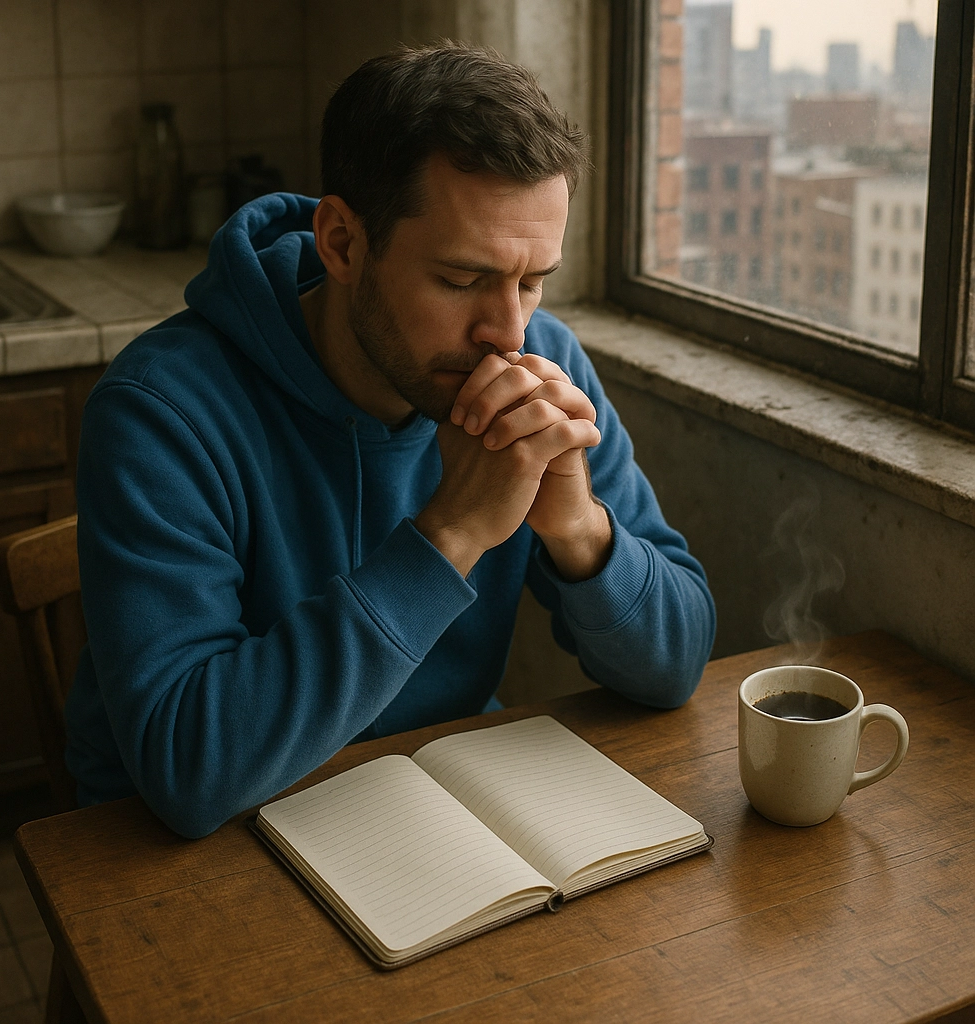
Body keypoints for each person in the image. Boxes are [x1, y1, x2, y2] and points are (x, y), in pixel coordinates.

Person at [65, 42, 716, 838]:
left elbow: (677, 667)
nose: (507, 331)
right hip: (177, 855)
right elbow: (189, 769)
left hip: (430, 809)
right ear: (341, 243)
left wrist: (582, 532)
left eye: (533, 279)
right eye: (460, 279)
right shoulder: (161, 410)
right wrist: (449, 537)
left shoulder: (544, 368)